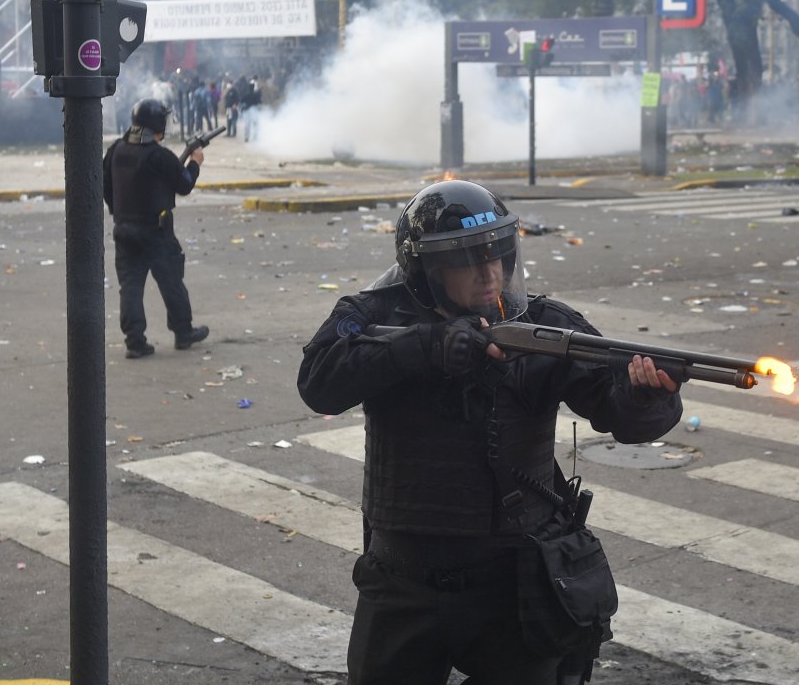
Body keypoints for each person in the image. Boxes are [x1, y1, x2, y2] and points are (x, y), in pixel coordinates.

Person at [297, 180, 682, 685]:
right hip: (403, 584)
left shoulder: (544, 326)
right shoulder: (374, 316)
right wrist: (423, 349)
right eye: (468, 260)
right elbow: (319, 383)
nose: (489, 273)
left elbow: (620, 412)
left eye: (497, 255)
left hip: (514, 586)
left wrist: (647, 394)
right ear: (427, 269)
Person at [102, 98, 210, 359]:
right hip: (156, 232)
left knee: (130, 287)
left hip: (124, 230)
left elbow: (105, 187)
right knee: (172, 282)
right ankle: (183, 332)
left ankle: (135, 342)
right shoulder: (159, 156)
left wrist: (120, 214)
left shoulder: (116, 149)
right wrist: (195, 162)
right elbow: (184, 184)